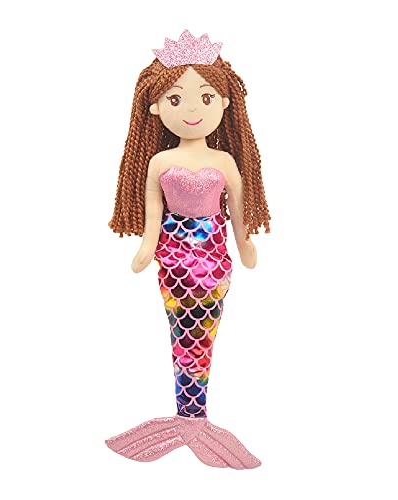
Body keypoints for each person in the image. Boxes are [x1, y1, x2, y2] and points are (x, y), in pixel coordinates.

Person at [106, 29, 270, 469]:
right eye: (177, 99)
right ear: (156, 107)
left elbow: (238, 212)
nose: (193, 109)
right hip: (173, 261)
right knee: (180, 330)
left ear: (225, 102)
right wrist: (146, 248)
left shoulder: (225, 162)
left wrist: (245, 244)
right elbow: (153, 215)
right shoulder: (159, 162)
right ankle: (187, 414)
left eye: (206, 97)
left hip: (214, 261)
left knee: (205, 331)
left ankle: (195, 415)